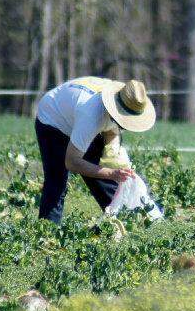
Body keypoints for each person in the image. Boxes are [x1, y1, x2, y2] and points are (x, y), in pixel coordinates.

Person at [34, 76, 156, 223]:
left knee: (102, 171)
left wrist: (113, 155)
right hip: (52, 120)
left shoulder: (123, 100)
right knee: (57, 181)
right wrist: (112, 173)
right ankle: (48, 229)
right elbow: (72, 162)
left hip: (77, 113)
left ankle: (121, 218)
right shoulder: (91, 117)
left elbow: (112, 129)